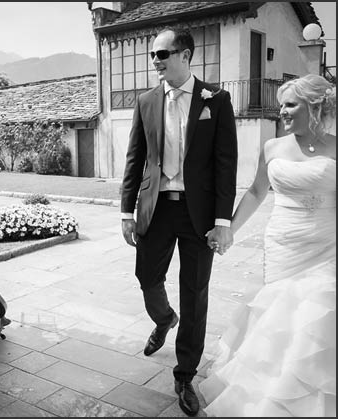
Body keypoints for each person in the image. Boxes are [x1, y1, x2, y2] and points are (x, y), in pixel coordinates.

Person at [199, 75, 336, 416]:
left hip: (327, 247)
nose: (282, 113)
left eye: (290, 105)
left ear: (315, 106)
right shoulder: (272, 147)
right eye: (281, 106)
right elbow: (258, 192)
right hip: (283, 246)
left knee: (317, 317)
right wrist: (226, 228)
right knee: (282, 319)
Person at [120, 28, 238, 416]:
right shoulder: (146, 100)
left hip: (199, 213)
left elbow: (225, 163)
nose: (155, 60)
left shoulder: (215, 100)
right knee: (146, 276)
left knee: (195, 292)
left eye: (162, 53)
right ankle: (164, 318)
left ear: (185, 55)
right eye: (152, 55)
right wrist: (126, 211)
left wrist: (223, 220)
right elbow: (135, 158)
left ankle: (185, 373)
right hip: (156, 208)